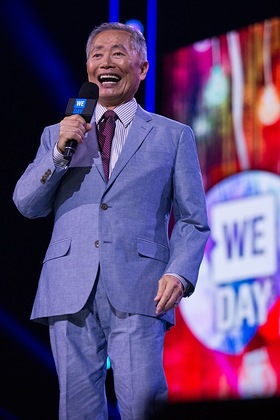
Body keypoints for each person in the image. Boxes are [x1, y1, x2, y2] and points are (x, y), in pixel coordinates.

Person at [13, 22, 210, 420]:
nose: (106, 61)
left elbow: (193, 220)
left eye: (118, 52)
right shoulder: (60, 133)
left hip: (142, 287)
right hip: (68, 287)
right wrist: (57, 154)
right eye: (97, 53)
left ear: (142, 68)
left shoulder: (172, 136)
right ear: (87, 66)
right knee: (77, 409)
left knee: (143, 403)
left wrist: (180, 273)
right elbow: (26, 204)